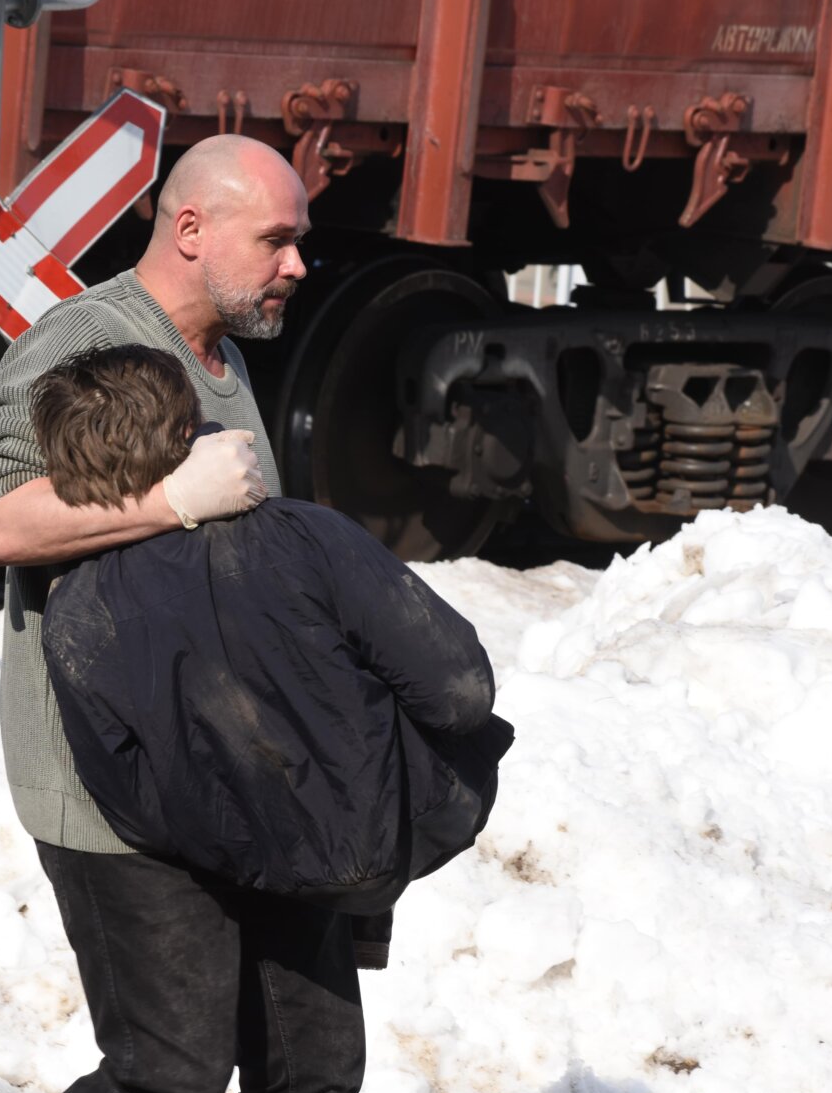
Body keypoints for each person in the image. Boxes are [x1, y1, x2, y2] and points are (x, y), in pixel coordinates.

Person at [0, 136, 338, 1093]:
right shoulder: (81, 342)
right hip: (115, 787)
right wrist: (175, 497)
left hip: (242, 778)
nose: (297, 266)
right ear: (192, 229)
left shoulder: (221, 359)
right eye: (277, 241)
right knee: (166, 1071)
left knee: (312, 1065)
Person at [36, 345, 512, 918]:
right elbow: (460, 695)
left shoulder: (75, 612)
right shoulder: (307, 534)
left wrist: (228, 836)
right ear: (188, 436)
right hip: (404, 827)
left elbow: (131, 805)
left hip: (237, 869)